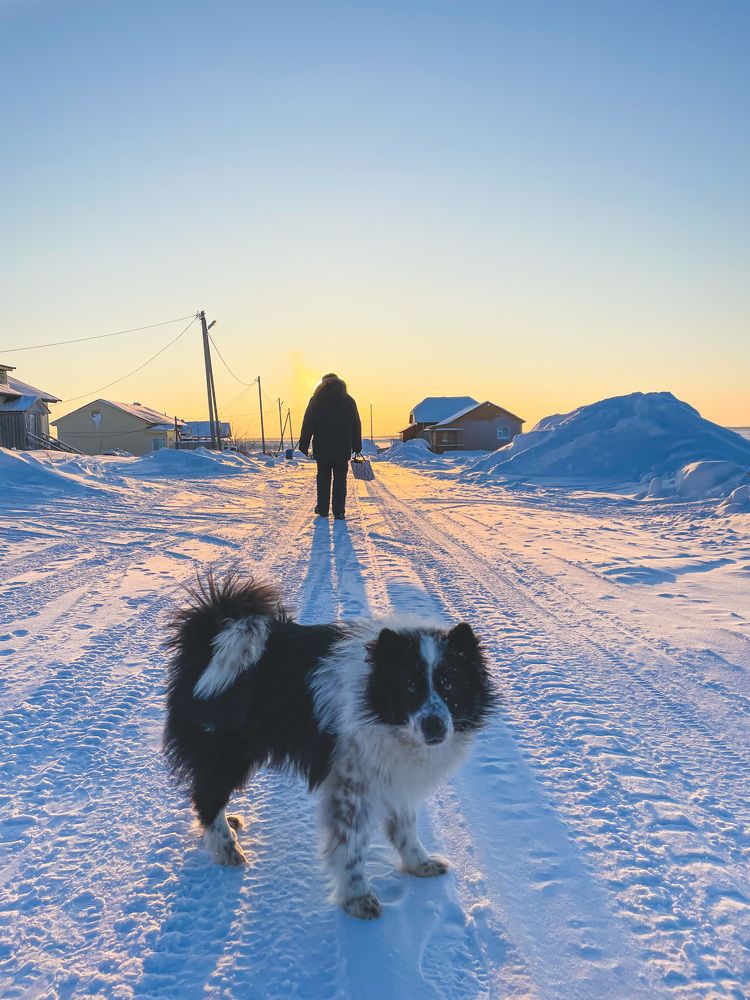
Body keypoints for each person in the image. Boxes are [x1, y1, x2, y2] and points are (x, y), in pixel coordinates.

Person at [298, 373, 362, 520]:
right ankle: (339, 511)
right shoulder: (348, 400)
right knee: (340, 480)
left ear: (322, 384)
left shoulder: (316, 400)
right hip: (342, 448)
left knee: (323, 479)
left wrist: (303, 445)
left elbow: (308, 423)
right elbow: (356, 424)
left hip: (322, 448)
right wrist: (357, 445)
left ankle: (322, 509)